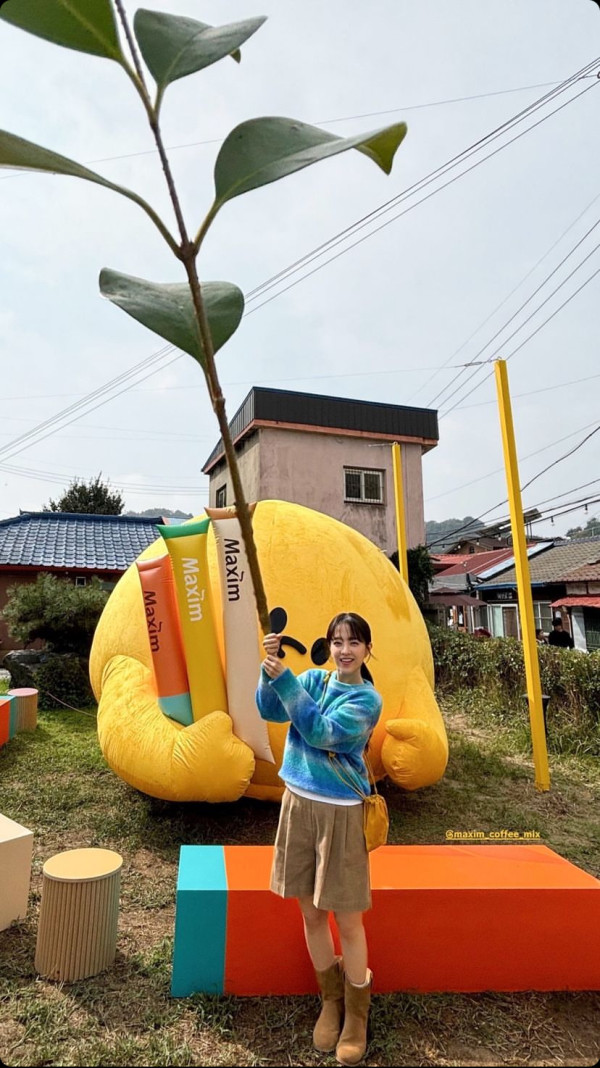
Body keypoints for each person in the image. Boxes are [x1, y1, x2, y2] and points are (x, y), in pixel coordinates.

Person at [256, 612, 382, 1067]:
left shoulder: (368, 700)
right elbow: (271, 708)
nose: (344, 649)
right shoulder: (311, 679)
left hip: (341, 816)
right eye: (337, 641)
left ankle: (356, 1015)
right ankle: (330, 1001)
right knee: (310, 913)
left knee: (347, 920)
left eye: (354, 641)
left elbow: (321, 732)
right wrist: (268, 667)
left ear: (368, 649)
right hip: (298, 805)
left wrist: (286, 682)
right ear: (328, 645)